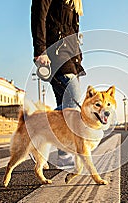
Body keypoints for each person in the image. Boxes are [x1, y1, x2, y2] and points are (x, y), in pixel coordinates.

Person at [31, 0, 85, 168]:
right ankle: (64, 152)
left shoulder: (75, 3)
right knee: (73, 105)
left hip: (72, 57)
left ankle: (36, 139)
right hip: (56, 54)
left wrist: (78, 59)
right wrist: (40, 50)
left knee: (63, 107)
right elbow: (38, 16)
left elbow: (73, 32)